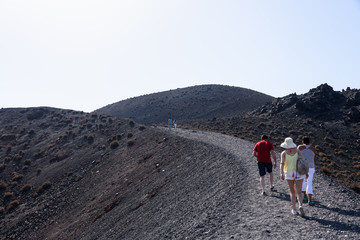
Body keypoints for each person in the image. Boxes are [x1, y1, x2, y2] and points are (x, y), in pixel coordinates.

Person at [280, 137, 305, 216]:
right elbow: (302, 160)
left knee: (292, 191)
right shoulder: (298, 151)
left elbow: (282, 163)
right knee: (299, 191)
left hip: (289, 173)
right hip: (299, 172)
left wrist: (281, 173)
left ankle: (294, 209)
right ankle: (300, 205)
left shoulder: (284, 153)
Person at [298, 136, 317, 206]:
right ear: (309, 142)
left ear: (303, 141)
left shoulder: (300, 147)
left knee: (303, 181)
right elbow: (314, 159)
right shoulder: (313, 149)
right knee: (309, 182)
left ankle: (305, 196)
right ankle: (310, 199)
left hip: (302, 166)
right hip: (311, 166)